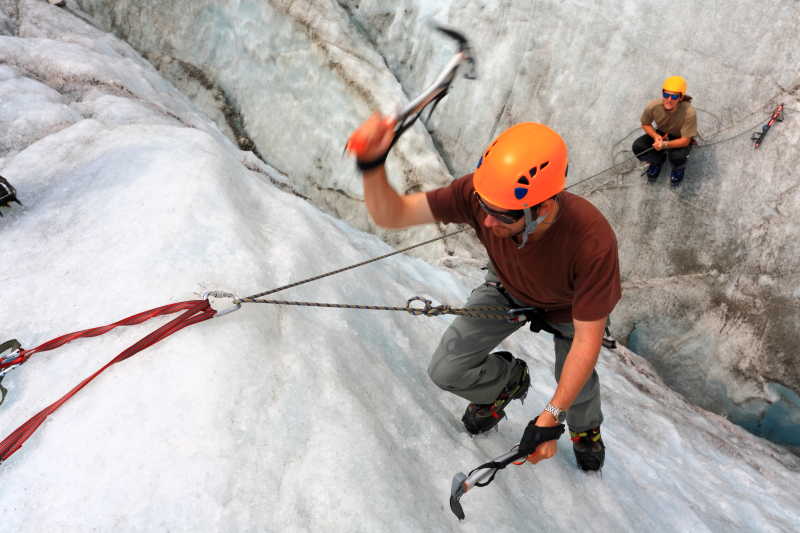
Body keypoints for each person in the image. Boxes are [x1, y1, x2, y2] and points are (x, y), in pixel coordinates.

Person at [347, 116, 622, 471]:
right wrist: (371, 165)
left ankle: (585, 429)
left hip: (568, 308)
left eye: (501, 216)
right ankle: (504, 384)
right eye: (484, 206)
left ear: (542, 208)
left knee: (576, 383)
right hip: (509, 285)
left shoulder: (592, 241)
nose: (487, 221)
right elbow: (393, 214)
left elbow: (587, 340)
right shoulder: (482, 195)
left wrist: (551, 416)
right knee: (446, 369)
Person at [633, 75, 697, 186]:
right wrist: (655, 136)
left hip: (679, 136)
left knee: (678, 157)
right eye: (666, 95)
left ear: (681, 97)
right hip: (661, 133)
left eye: (674, 96)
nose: (669, 100)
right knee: (638, 146)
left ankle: (678, 167)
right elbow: (645, 124)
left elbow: (685, 140)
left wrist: (665, 145)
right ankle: (657, 161)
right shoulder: (653, 106)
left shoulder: (689, 112)